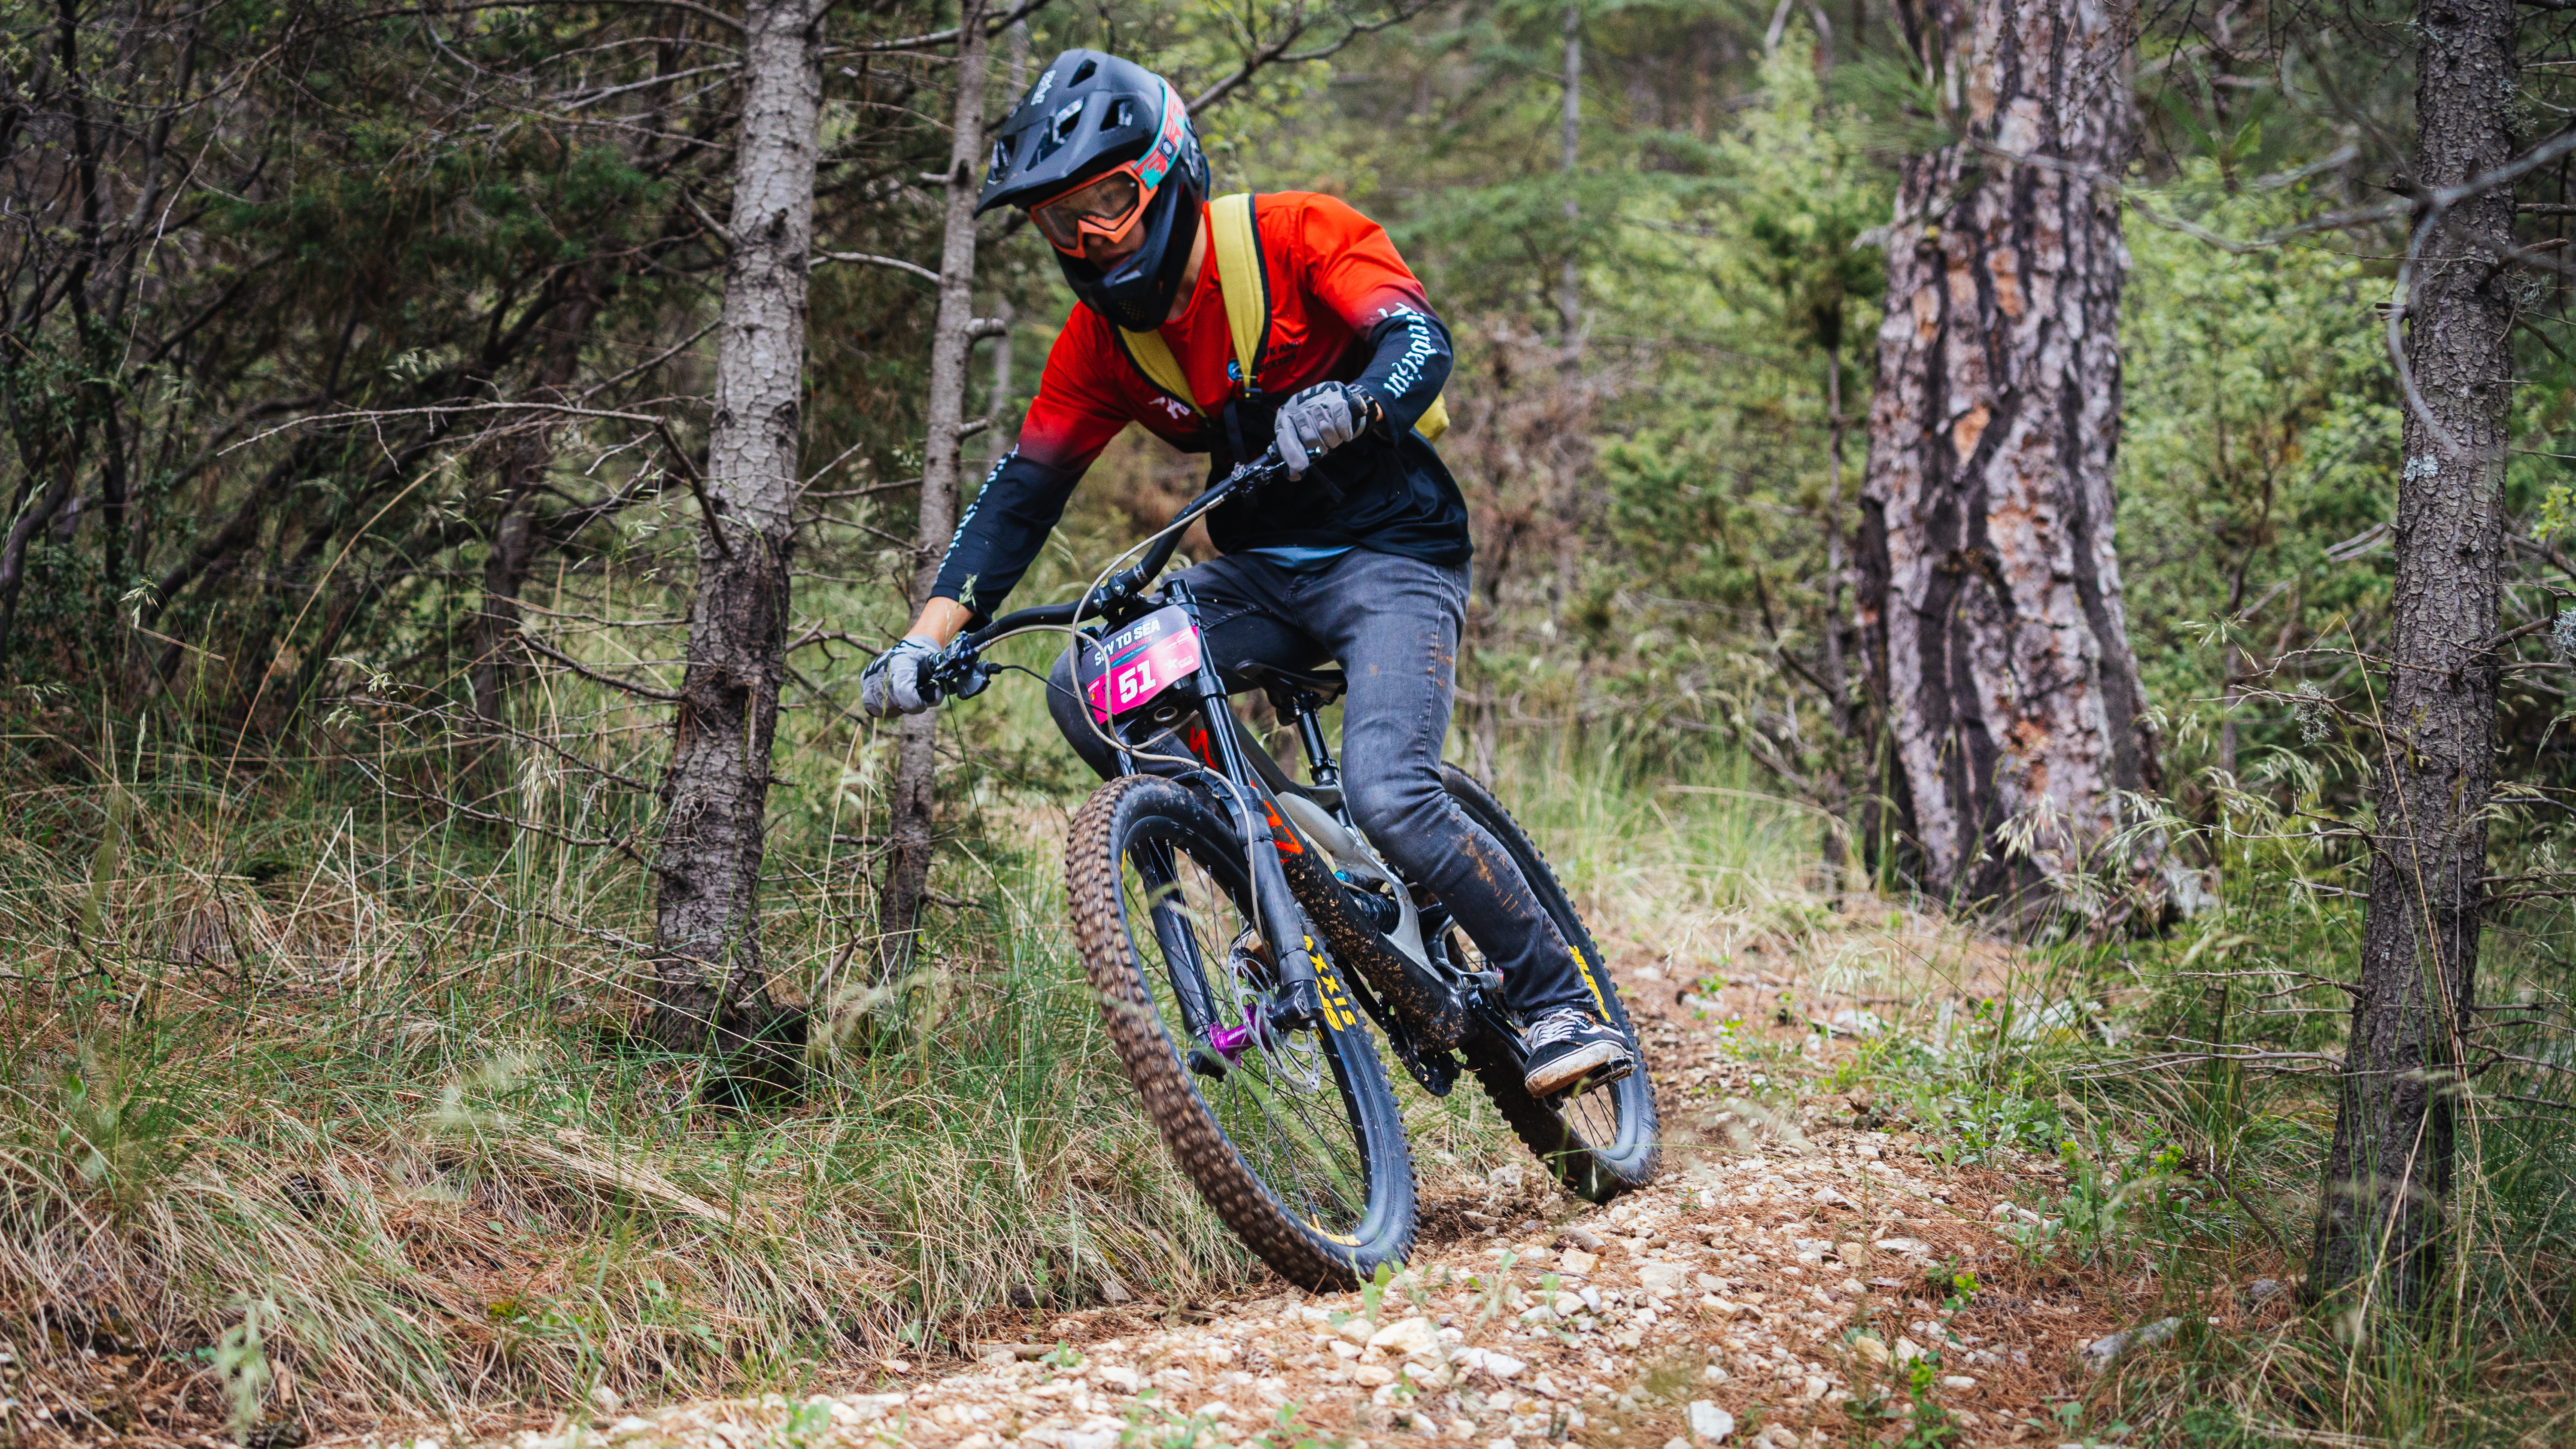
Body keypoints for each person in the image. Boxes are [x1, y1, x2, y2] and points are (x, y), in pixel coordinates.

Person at [859, 49, 1631, 1097]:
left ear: (1170, 173)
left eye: (1109, 202)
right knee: (1091, 691)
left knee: (1390, 791)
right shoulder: (1099, 345)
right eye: (1056, 220)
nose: (1085, 239)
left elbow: (1416, 339)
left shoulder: (1296, 234)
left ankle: (1556, 998)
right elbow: (1020, 497)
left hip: (1395, 560)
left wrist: (1358, 400)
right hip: (1258, 576)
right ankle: (1287, 894)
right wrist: (928, 640)